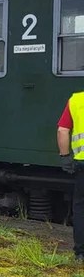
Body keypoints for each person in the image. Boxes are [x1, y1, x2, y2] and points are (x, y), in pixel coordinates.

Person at [58, 94, 84, 261]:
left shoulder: (77, 100)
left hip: (82, 164)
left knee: (81, 208)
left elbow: (62, 130)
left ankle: (81, 253)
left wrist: (65, 157)